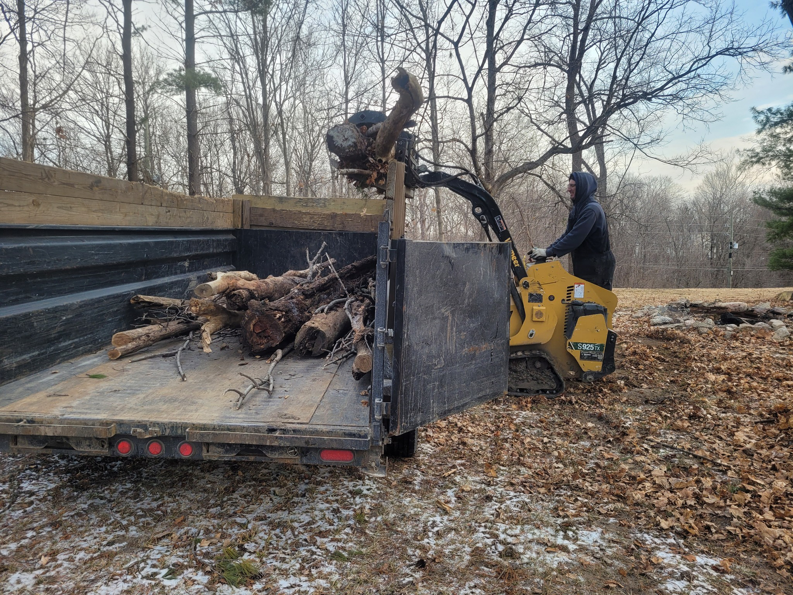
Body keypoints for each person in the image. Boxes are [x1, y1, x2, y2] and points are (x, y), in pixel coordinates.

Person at [530, 172, 616, 290]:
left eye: (572, 185)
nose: (568, 189)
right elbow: (568, 234)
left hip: (597, 267)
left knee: (595, 305)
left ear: (583, 187)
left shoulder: (591, 210)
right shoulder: (578, 209)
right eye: (568, 185)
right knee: (581, 302)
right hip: (584, 264)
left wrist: (549, 252)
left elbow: (575, 237)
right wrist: (547, 251)